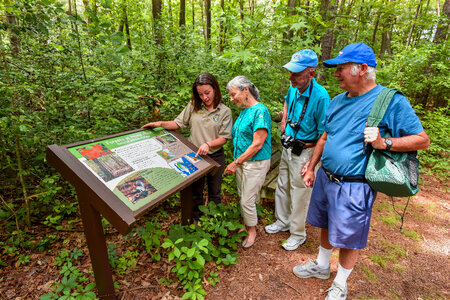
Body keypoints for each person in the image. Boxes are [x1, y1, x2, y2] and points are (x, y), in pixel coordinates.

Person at [294, 42, 430, 299]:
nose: (335, 74)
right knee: (324, 223)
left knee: (349, 236)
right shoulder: (336, 101)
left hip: (355, 184)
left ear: (362, 69)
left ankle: (341, 283)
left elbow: (422, 140)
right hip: (326, 177)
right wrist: (312, 167)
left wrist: (384, 142)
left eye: (340, 68)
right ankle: (322, 266)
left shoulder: (390, 101)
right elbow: (324, 136)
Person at [142, 73, 233, 221]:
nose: (204, 97)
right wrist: (160, 124)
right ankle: (195, 220)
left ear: (215, 89)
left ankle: (214, 221)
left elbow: (224, 138)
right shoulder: (193, 106)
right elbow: (178, 123)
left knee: (215, 191)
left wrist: (208, 144)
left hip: (215, 155)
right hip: (195, 155)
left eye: (207, 93)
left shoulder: (225, 111)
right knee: (195, 191)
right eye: (200, 94)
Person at [264, 49, 330, 251]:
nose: (290, 77)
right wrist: (284, 119)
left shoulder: (321, 97)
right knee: (282, 185)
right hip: (287, 146)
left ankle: (298, 233)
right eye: (290, 72)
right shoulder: (293, 86)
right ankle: (282, 221)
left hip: (305, 152)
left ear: (311, 72)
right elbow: (286, 100)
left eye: (296, 73)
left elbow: (323, 135)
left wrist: (312, 165)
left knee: (300, 193)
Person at [224, 76, 271, 248]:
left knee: (247, 200)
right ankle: (246, 224)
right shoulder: (244, 111)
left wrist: (236, 162)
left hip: (255, 162)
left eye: (233, 94)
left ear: (245, 90)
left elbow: (258, 143)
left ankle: (252, 230)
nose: (231, 99)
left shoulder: (260, 111)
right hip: (243, 162)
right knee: (242, 194)